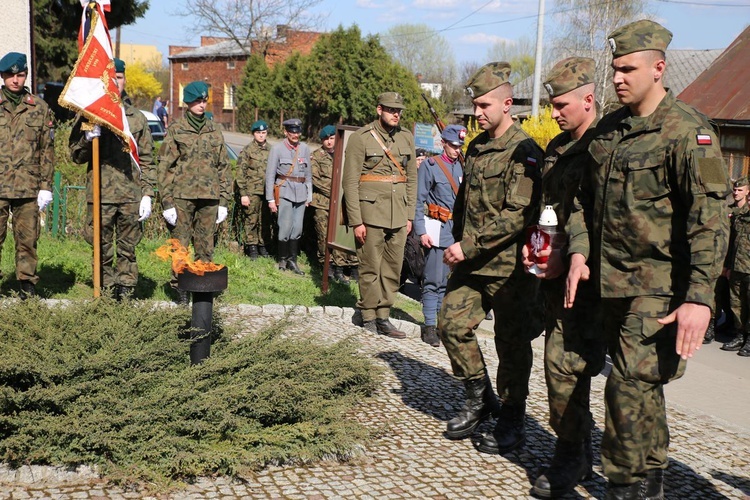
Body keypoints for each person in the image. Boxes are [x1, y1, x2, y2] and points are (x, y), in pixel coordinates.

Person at [565, 20, 730, 498]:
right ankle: (650, 473)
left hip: (659, 290)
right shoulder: (609, 131)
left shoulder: (686, 131)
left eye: (628, 69)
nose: (617, 77)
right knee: (639, 385)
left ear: (658, 68)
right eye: (614, 68)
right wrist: (578, 252)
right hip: (608, 285)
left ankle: (627, 484)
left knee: (627, 386)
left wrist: (700, 297)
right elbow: (579, 201)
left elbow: (710, 219)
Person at [436, 62, 543, 451]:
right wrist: (456, 237)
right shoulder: (477, 147)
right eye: (475, 106)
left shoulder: (526, 151)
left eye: (484, 106)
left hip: (509, 268)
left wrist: (468, 245)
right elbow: (467, 201)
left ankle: (514, 414)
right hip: (472, 263)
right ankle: (480, 397)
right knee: (450, 325)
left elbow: (518, 214)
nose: (477, 113)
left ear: (507, 103)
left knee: (511, 343)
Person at [520, 57, 606, 498]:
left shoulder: (603, 147)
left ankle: (572, 453)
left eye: (561, 104)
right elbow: (550, 207)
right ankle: (579, 450)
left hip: (587, 279)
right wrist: (534, 240)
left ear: (588, 100)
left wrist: (574, 256)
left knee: (565, 367)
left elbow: (594, 216)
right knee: (563, 366)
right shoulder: (556, 147)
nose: (553, 112)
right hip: (549, 274)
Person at [70, 58, 156, 300]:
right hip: (100, 195)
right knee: (101, 248)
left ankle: (126, 292)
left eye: (119, 77)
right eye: (110, 78)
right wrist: (87, 139)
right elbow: (75, 156)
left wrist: (148, 194)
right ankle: (105, 293)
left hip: (130, 195)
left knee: (128, 249)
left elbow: (148, 158)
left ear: (124, 80)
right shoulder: (89, 116)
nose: (115, 83)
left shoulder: (136, 118)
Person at [342, 92, 417, 338]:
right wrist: (356, 221)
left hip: (398, 215)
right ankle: (368, 315)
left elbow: (411, 179)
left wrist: (409, 215)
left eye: (399, 110)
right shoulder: (360, 138)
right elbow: (350, 182)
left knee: (393, 268)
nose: (396, 114)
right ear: (379, 110)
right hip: (370, 213)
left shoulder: (406, 137)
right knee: (370, 267)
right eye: (391, 109)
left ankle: (384, 315)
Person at [158, 81, 231, 304]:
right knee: (180, 243)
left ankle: (202, 286)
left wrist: (224, 200)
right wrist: (167, 202)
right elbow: (165, 166)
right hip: (182, 195)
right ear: (187, 102)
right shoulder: (177, 130)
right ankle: (180, 287)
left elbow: (224, 166)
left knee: (206, 243)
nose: (201, 104)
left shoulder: (214, 129)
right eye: (197, 100)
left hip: (210, 196)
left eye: (204, 100)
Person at [0, 52, 54, 298]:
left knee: (28, 240)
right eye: (10, 75)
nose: (15, 80)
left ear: (25, 76)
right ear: (2, 76)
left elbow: (46, 150)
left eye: (20, 75)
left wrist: (46, 186)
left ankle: (27, 286)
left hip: (28, 186)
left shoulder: (39, 108)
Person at [414, 124, 466, 348]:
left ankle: (440, 326)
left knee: (446, 284)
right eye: (453, 145)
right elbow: (418, 200)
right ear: (443, 143)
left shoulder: (463, 168)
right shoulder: (431, 166)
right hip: (437, 229)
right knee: (433, 281)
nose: (457, 150)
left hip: (456, 234)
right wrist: (421, 231)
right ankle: (428, 326)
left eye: (460, 146)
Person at [311, 124, 358, 283]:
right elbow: (316, 180)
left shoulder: (345, 154)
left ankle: (341, 267)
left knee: (342, 234)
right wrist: (335, 192)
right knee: (324, 235)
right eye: (326, 139)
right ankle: (327, 266)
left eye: (332, 138)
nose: (329, 142)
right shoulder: (316, 156)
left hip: (342, 202)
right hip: (323, 203)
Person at [266, 118, 311, 275]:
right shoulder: (277, 149)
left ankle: (293, 261)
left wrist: (309, 195)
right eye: (292, 131)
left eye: (298, 132)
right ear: (286, 132)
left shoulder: (304, 148)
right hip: (284, 191)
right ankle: (282, 260)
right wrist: (270, 199)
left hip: (301, 193)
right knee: (284, 227)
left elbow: (308, 175)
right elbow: (270, 175)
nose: (295, 134)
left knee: (297, 228)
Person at [721, 177, 750, 355]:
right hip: (738, 266)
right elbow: (733, 243)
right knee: (737, 304)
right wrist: (729, 266)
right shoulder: (740, 217)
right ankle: (740, 334)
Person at [236, 120, 273, 259]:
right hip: (252, 191)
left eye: (263, 133)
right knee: (251, 219)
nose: (261, 136)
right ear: (253, 134)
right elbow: (240, 172)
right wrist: (243, 194)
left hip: (267, 191)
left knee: (265, 219)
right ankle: (252, 247)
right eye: (258, 133)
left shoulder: (271, 150)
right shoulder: (247, 150)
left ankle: (263, 245)